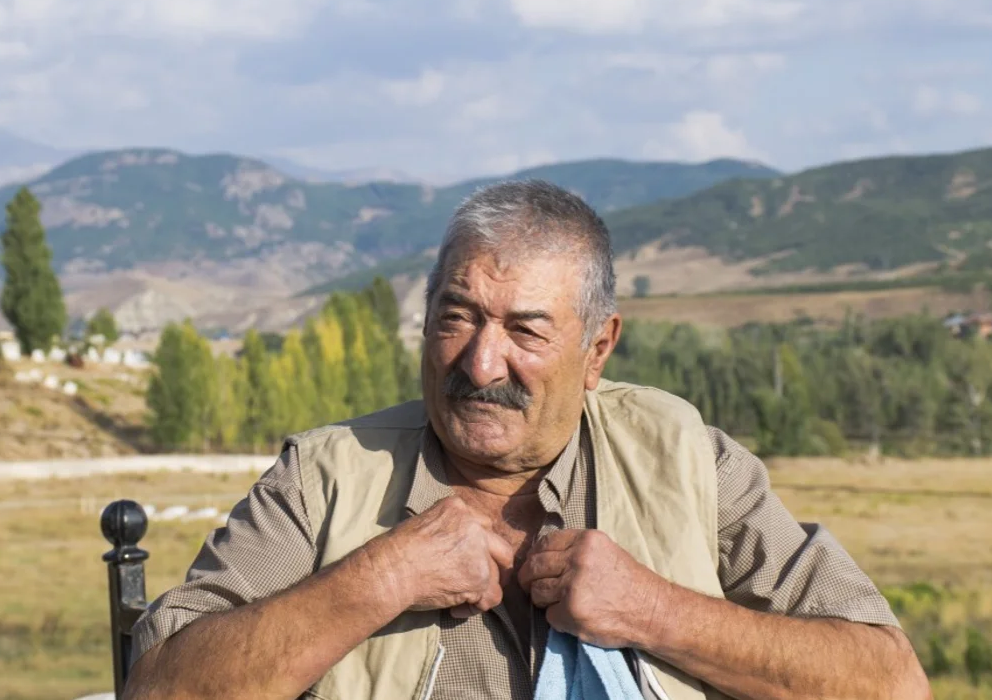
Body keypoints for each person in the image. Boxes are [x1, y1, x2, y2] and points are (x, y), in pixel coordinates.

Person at [124, 180, 931, 700]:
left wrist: (654, 609)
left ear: (599, 348)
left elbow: (890, 683)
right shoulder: (328, 477)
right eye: (458, 316)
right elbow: (158, 688)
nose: (481, 361)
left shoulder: (686, 458)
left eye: (526, 330)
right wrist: (381, 574)